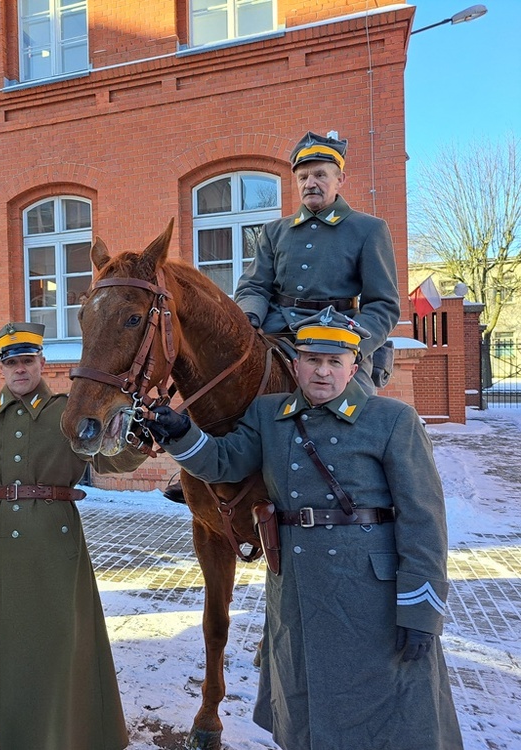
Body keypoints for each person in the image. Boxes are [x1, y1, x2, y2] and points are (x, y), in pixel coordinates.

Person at [144, 307, 463, 750]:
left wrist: (421, 610)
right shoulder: (268, 415)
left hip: (370, 596)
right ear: (295, 365)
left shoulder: (392, 420)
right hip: (297, 592)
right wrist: (182, 433)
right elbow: (223, 462)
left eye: (335, 361)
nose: (323, 371)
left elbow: (423, 520)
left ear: (354, 365)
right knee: (304, 711)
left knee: (385, 715)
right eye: (313, 359)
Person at [0, 323, 147, 750]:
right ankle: (9, 733)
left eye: (27, 361)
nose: (20, 369)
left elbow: (109, 460)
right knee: (3, 645)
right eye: (12, 363)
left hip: (55, 543)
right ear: (1, 369)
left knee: (59, 644)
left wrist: (136, 436)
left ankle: (63, 732)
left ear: (42, 363)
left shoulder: (67, 413)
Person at [235, 130, 400, 392]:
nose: (310, 183)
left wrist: (353, 346)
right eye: (303, 177)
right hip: (278, 333)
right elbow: (254, 286)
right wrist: (249, 317)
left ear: (340, 179)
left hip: (339, 335)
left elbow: (383, 304)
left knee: (357, 407)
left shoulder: (368, 229)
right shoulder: (274, 231)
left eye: (320, 175)